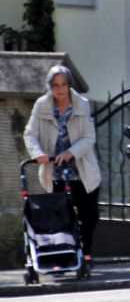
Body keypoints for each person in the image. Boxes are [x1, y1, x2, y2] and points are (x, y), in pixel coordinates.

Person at [24, 65, 102, 264]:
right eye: (55, 85)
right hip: (54, 169)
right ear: (50, 87)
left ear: (69, 85)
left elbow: (89, 137)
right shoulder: (41, 105)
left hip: (81, 167)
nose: (60, 89)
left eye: (63, 85)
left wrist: (71, 152)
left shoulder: (81, 104)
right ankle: (67, 254)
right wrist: (38, 153)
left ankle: (86, 251)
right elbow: (30, 134)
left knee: (89, 214)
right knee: (61, 216)